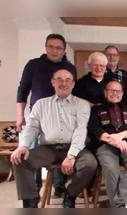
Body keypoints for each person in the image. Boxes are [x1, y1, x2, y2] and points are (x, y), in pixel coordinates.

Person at [11, 69, 97, 208]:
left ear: (73, 84)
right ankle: (31, 202)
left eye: (68, 80)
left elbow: (81, 130)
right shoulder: (41, 104)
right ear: (53, 82)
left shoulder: (82, 104)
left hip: (73, 146)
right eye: (59, 79)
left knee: (90, 164)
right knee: (19, 159)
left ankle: (70, 194)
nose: (64, 83)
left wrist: (71, 155)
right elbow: (32, 127)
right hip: (47, 149)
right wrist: (23, 145)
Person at [16, 33, 76, 196]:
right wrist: (20, 116)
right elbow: (22, 91)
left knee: (61, 146)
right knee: (32, 149)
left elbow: (72, 92)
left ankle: (59, 185)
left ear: (64, 50)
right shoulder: (33, 65)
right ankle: (34, 187)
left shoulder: (70, 68)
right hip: (38, 115)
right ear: (46, 47)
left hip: (62, 115)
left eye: (59, 48)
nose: (55, 51)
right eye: (51, 46)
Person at [87, 81, 127, 208]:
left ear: (122, 93)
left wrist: (120, 136)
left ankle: (120, 205)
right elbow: (94, 129)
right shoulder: (96, 110)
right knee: (110, 169)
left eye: (118, 91)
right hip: (105, 146)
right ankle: (122, 207)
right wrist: (112, 140)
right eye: (111, 90)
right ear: (105, 92)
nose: (115, 93)